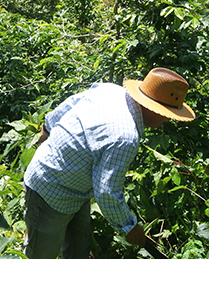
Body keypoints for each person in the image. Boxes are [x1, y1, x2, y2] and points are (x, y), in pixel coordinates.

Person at [22, 67, 196, 258]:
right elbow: (107, 193)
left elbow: (69, 103)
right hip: (48, 190)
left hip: (77, 188)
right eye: (167, 114)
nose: (167, 119)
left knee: (78, 249)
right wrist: (129, 227)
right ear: (155, 110)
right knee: (40, 256)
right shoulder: (125, 137)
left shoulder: (111, 90)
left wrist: (47, 127)